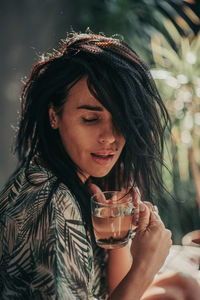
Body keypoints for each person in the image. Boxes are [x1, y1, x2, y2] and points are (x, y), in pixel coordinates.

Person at [0, 31, 199, 300]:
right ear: (53, 115)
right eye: (91, 119)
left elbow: (113, 289)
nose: (110, 136)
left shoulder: (76, 178)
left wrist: (118, 234)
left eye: (121, 119)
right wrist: (146, 264)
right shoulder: (51, 208)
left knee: (183, 285)